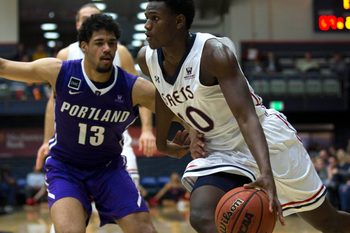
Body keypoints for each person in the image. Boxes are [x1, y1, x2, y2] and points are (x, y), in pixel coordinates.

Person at [137, 0, 350, 232]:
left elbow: (246, 117)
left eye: (155, 18)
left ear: (179, 21)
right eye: (147, 18)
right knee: (202, 216)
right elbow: (164, 94)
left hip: (265, 142)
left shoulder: (214, 54)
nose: (147, 25)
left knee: (329, 223)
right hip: (221, 150)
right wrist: (163, 144)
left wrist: (266, 172)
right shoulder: (147, 59)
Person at [0, 14, 157, 233]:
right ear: (83, 46)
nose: (107, 49)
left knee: (144, 230)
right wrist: (46, 140)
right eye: (99, 43)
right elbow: (5, 66)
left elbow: (176, 110)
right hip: (66, 168)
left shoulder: (133, 86)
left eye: (111, 43)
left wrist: (191, 132)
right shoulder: (60, 71)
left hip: (108, 168)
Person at [35, 3, 156, 188]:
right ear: (77, 25)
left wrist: (147, 130)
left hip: (115, 145)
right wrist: (46, 141)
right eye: (85, 18)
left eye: (95, 17)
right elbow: (53, 102)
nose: (90, 21)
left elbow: (140, 95)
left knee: (128, 207)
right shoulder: (65, 54)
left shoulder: (120, 52)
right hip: (74, 148)